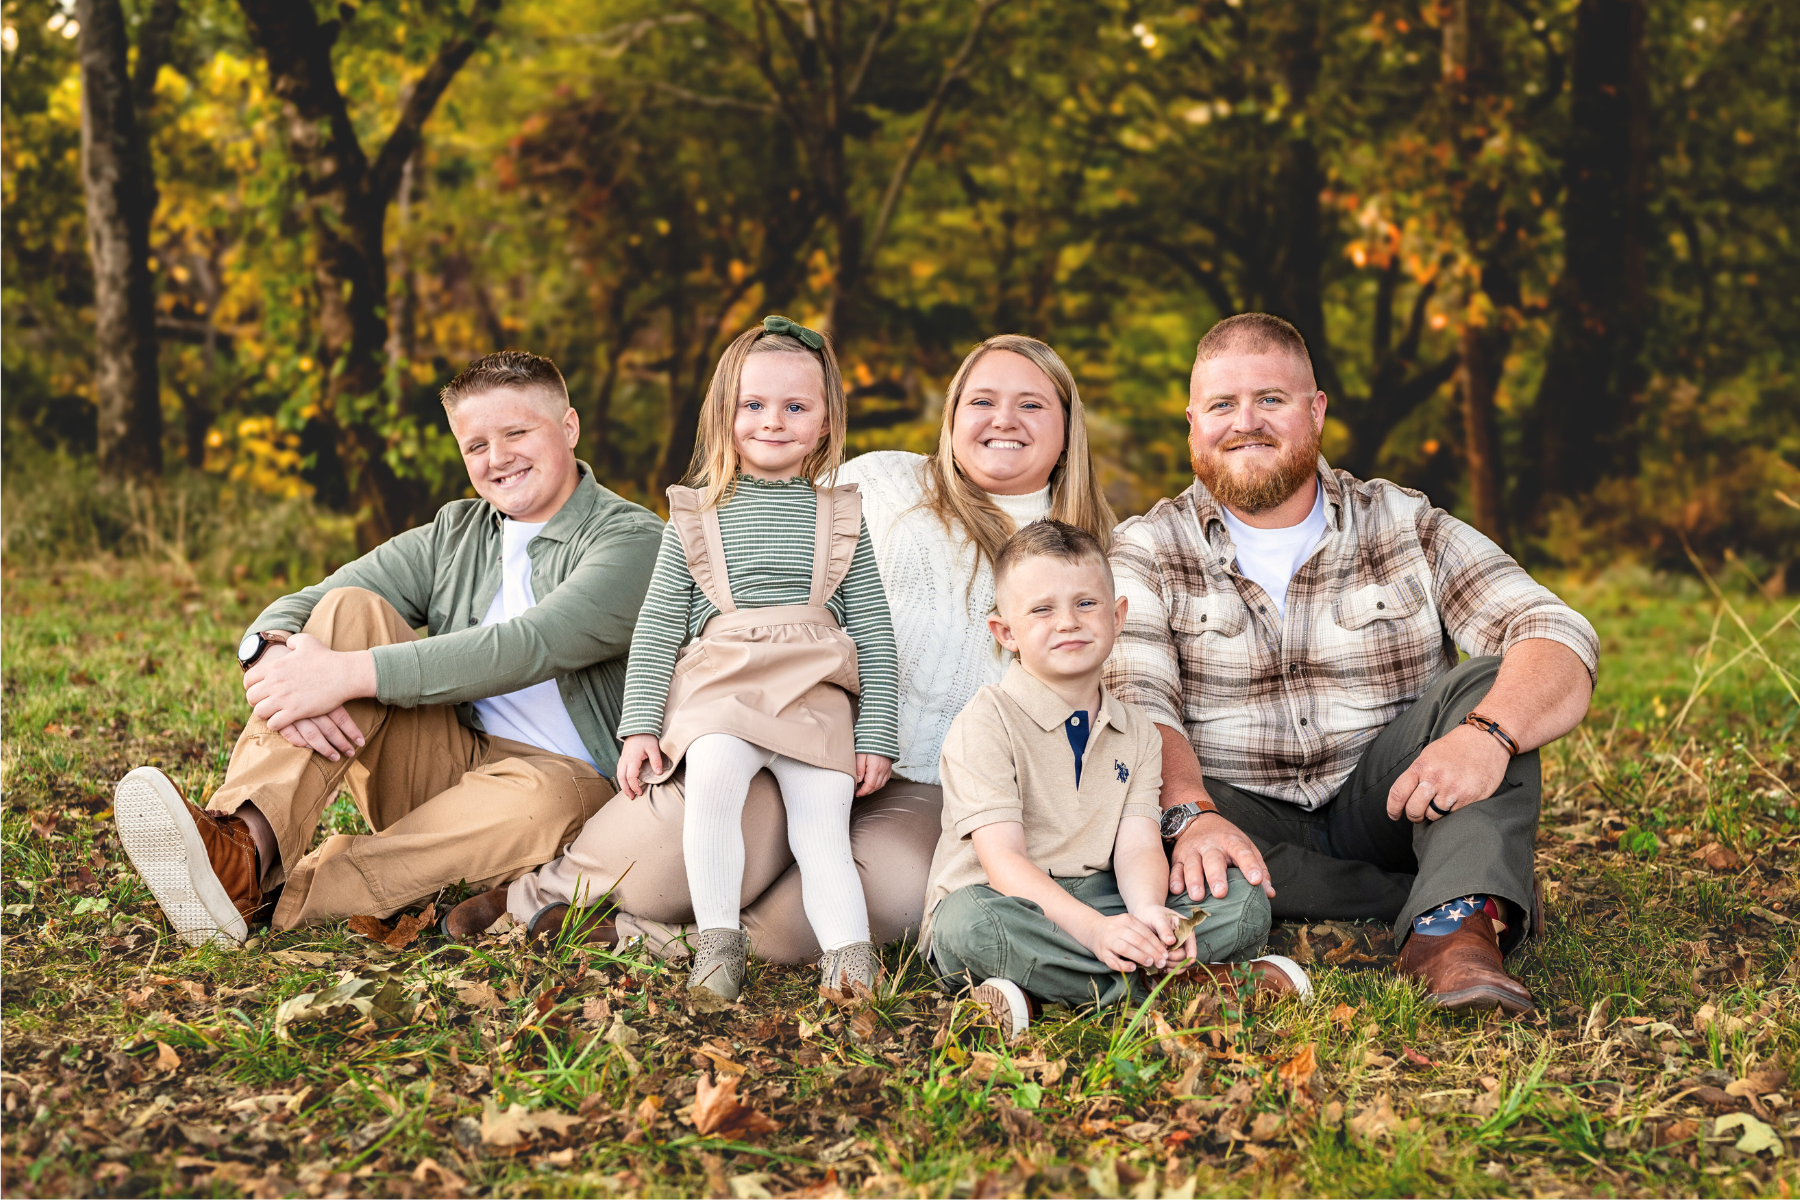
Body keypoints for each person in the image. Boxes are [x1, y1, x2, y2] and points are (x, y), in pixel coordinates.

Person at [470, 333, 1118, 969]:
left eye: (1031, 404)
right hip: (795, 711)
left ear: (1067, 426)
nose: (1003, 419)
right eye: (982, 401)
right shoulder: (881, 481)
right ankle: (539, 897)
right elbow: (754, 531)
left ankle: (657, 943)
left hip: (927, 782)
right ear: (952, 416)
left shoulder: (1094, 554)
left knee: (887, 890)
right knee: (691, 833)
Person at [1105, 313, 1600, 1014]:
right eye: (1222, 405)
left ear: (1316, 411)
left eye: (1270, 399)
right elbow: (1138, 703)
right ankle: (1440, 896)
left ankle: (1449, 942)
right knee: (1134, 812)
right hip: (1237, 813)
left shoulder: (1403, 523)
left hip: (1395, 800)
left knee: (1493, 686)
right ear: (1192, 425)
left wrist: (1485, 736)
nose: (1246, 422)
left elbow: (1555, 632)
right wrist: (1190, 815)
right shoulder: (1146, 549)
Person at [111, 352, 663, 945]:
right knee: (351, 610)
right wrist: (264, 650)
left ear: (570, 427)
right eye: (476, 446)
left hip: (570, 790)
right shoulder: (458, 533)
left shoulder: (631, 539)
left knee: (546, 799)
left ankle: (281, 898)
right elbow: (312, 598)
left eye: (517, 433)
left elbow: (531, 645)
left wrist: (349, 675)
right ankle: (243, 845)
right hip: (452, 760)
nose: (497, 458)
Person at [450, 317, 899, 1000]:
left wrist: (878, 734)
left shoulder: (839, 517)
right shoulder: (697, 514)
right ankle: (718, 949)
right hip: (724, 686)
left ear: (827, 421)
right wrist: (640, 729)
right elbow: (659, 627)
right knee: (713, 782)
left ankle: (849, 963)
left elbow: (872, 625)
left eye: (795, 407)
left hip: (815, 693)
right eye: (753, 405)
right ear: (725, 413)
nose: (772, 422)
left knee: (823, 825)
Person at [923, 521, 1307, 1040]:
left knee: (1243, 901)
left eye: (1086, 603)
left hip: (1105, 897)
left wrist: (1148, 914)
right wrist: (1096, 931)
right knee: (968, 927)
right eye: (1042, 609)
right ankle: (1188, 988)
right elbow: (1003, 863)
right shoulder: (987, 721)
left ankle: (1044, 995)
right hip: (1009, 903)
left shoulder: (1140, 733)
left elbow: (1136, 846)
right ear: (1006, 633)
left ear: (1118, 616)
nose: (1068, 623)